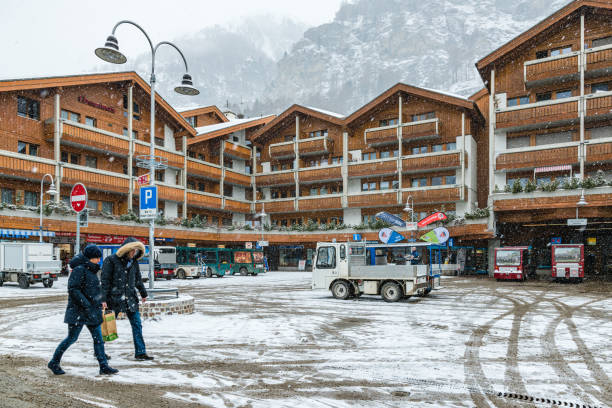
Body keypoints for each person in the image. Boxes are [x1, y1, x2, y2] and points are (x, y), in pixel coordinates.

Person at [48, 245, 118, 376]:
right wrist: (86, 305)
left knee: (98, 339)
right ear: (90, 258)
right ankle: (54, 362)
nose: (99, 260)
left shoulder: (92, 270)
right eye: (97, 258)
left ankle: (103, 366)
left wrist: (99, 301)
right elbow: (73, 289)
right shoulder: (80, 270)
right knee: (71, 338)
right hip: (79, 312)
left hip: (92, 312)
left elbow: (94, 290)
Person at [100, 237, 153, 361]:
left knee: (137, 325)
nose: (134, 253)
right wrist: (103, 299)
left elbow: (138, 279)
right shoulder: (111, 260)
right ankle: (99, 350)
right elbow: (105, 281)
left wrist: (143, 293)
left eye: (135, 251)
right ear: (126, 250)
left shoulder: (134, 262)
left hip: (130, 299)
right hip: (114, 299)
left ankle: (140, 352)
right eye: (132, 250)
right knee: (107, 325)